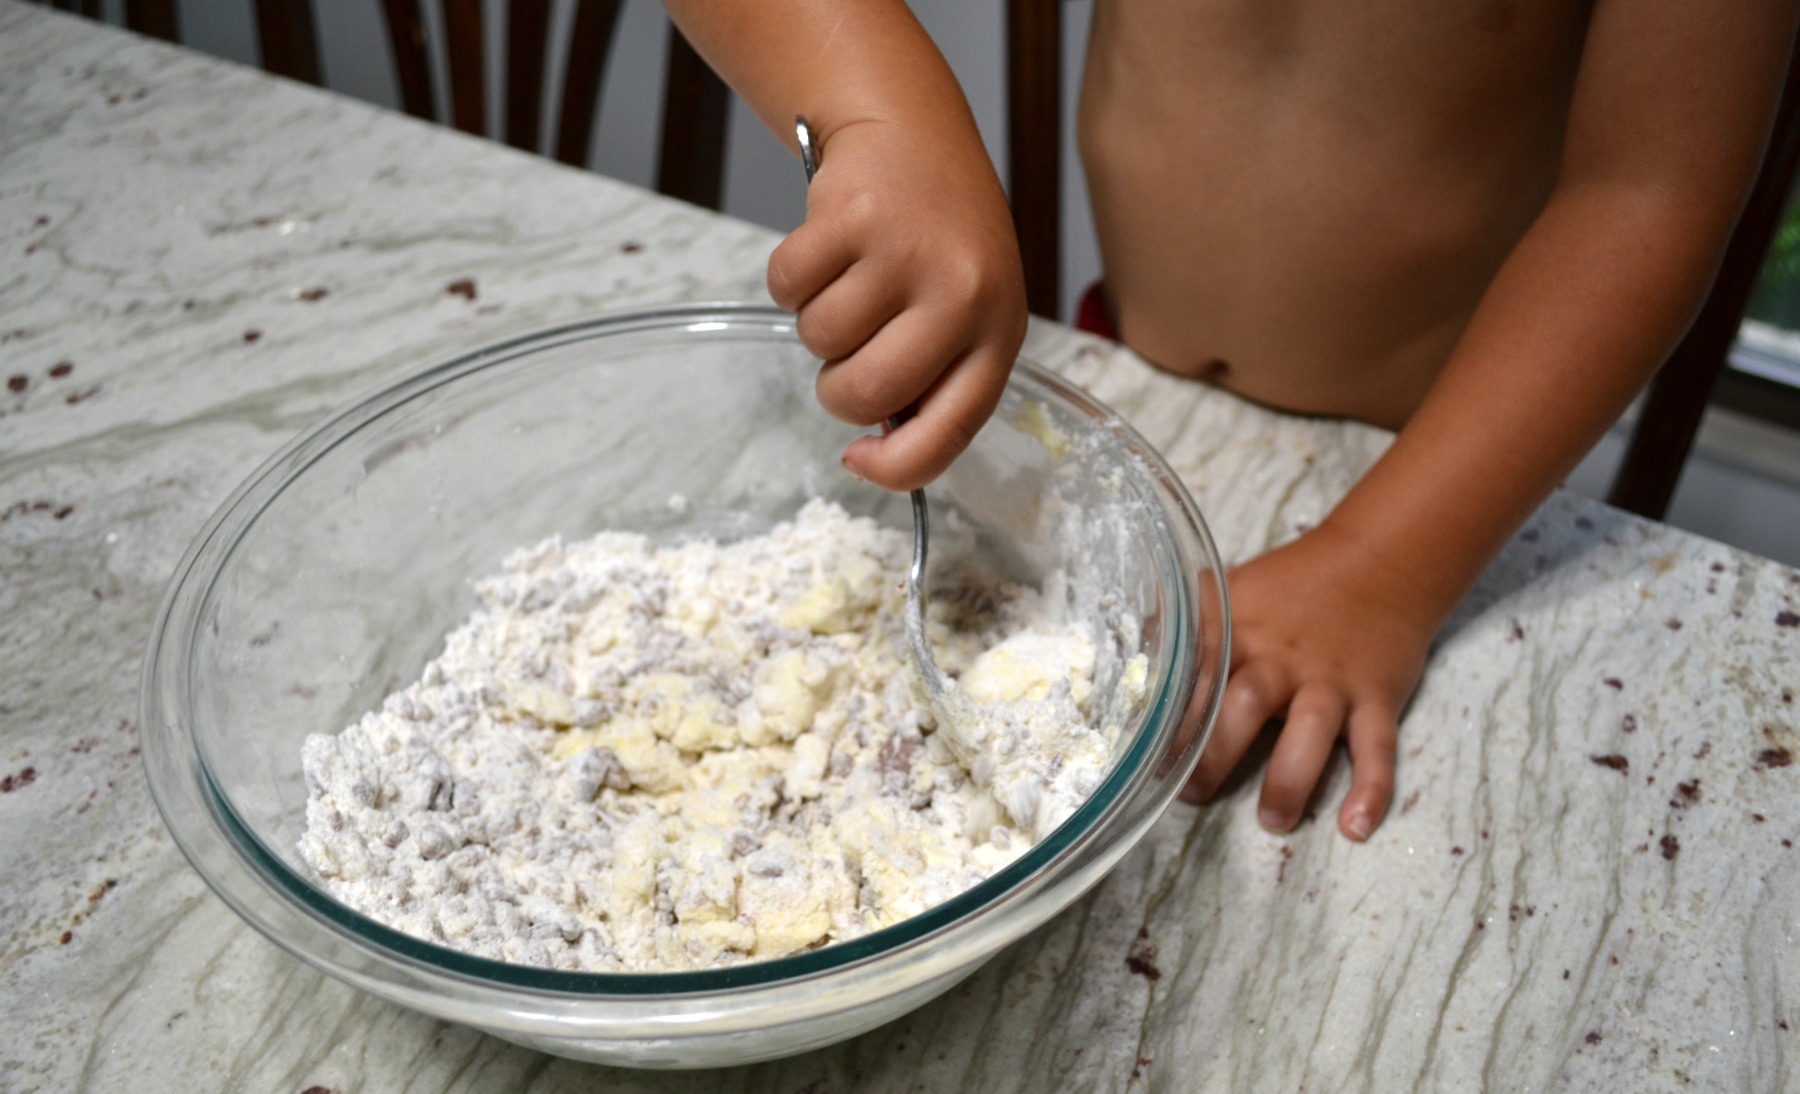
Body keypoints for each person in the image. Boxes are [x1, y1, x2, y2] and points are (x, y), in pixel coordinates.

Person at [663, 0, 1800, 840]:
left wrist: (1380, 567)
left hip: (1426, 465)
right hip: (1129, 367)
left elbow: (1650, 191)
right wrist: (876, 110)